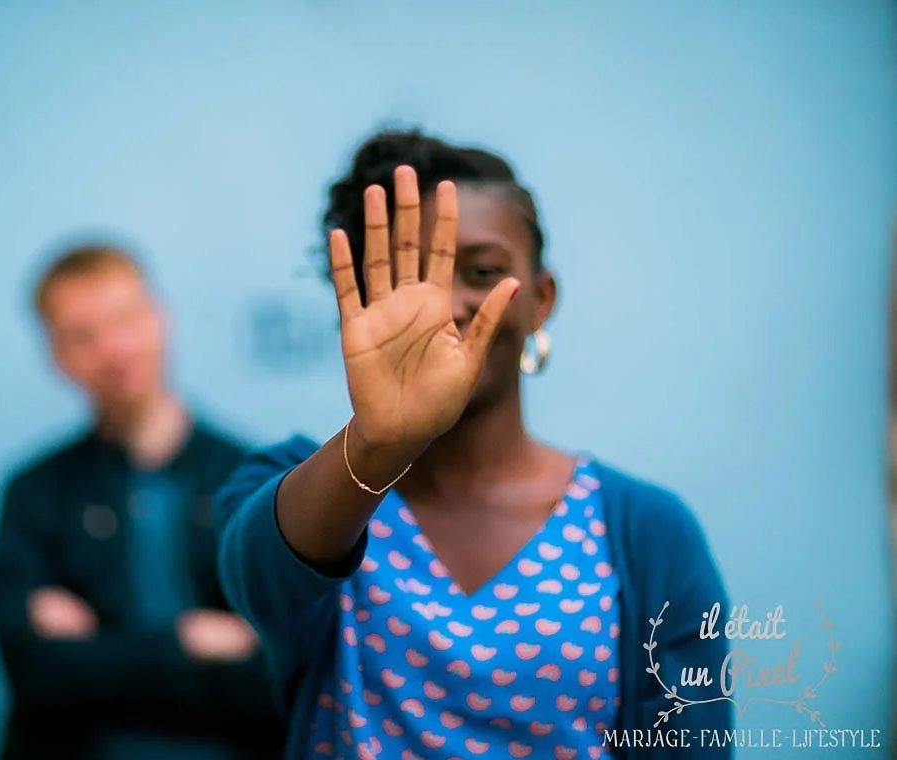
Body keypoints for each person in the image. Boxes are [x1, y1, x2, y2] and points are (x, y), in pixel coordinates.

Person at [214, 129, 732, 759]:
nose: (445, 306)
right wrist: (381, 441)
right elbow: (256, 577)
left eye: (483, 272)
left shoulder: (646, 531)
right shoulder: (307, 490)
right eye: (412, 281)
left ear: (542, 300)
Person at [0, 244, 286, 760]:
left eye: (125, 318)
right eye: (83, 335)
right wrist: (188, 642)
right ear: (58, 357)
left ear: (159, 317)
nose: (114, 348)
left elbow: (279, 678)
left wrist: (99, 652)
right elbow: (36, 677)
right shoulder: (35, 493)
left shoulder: (256, 481)